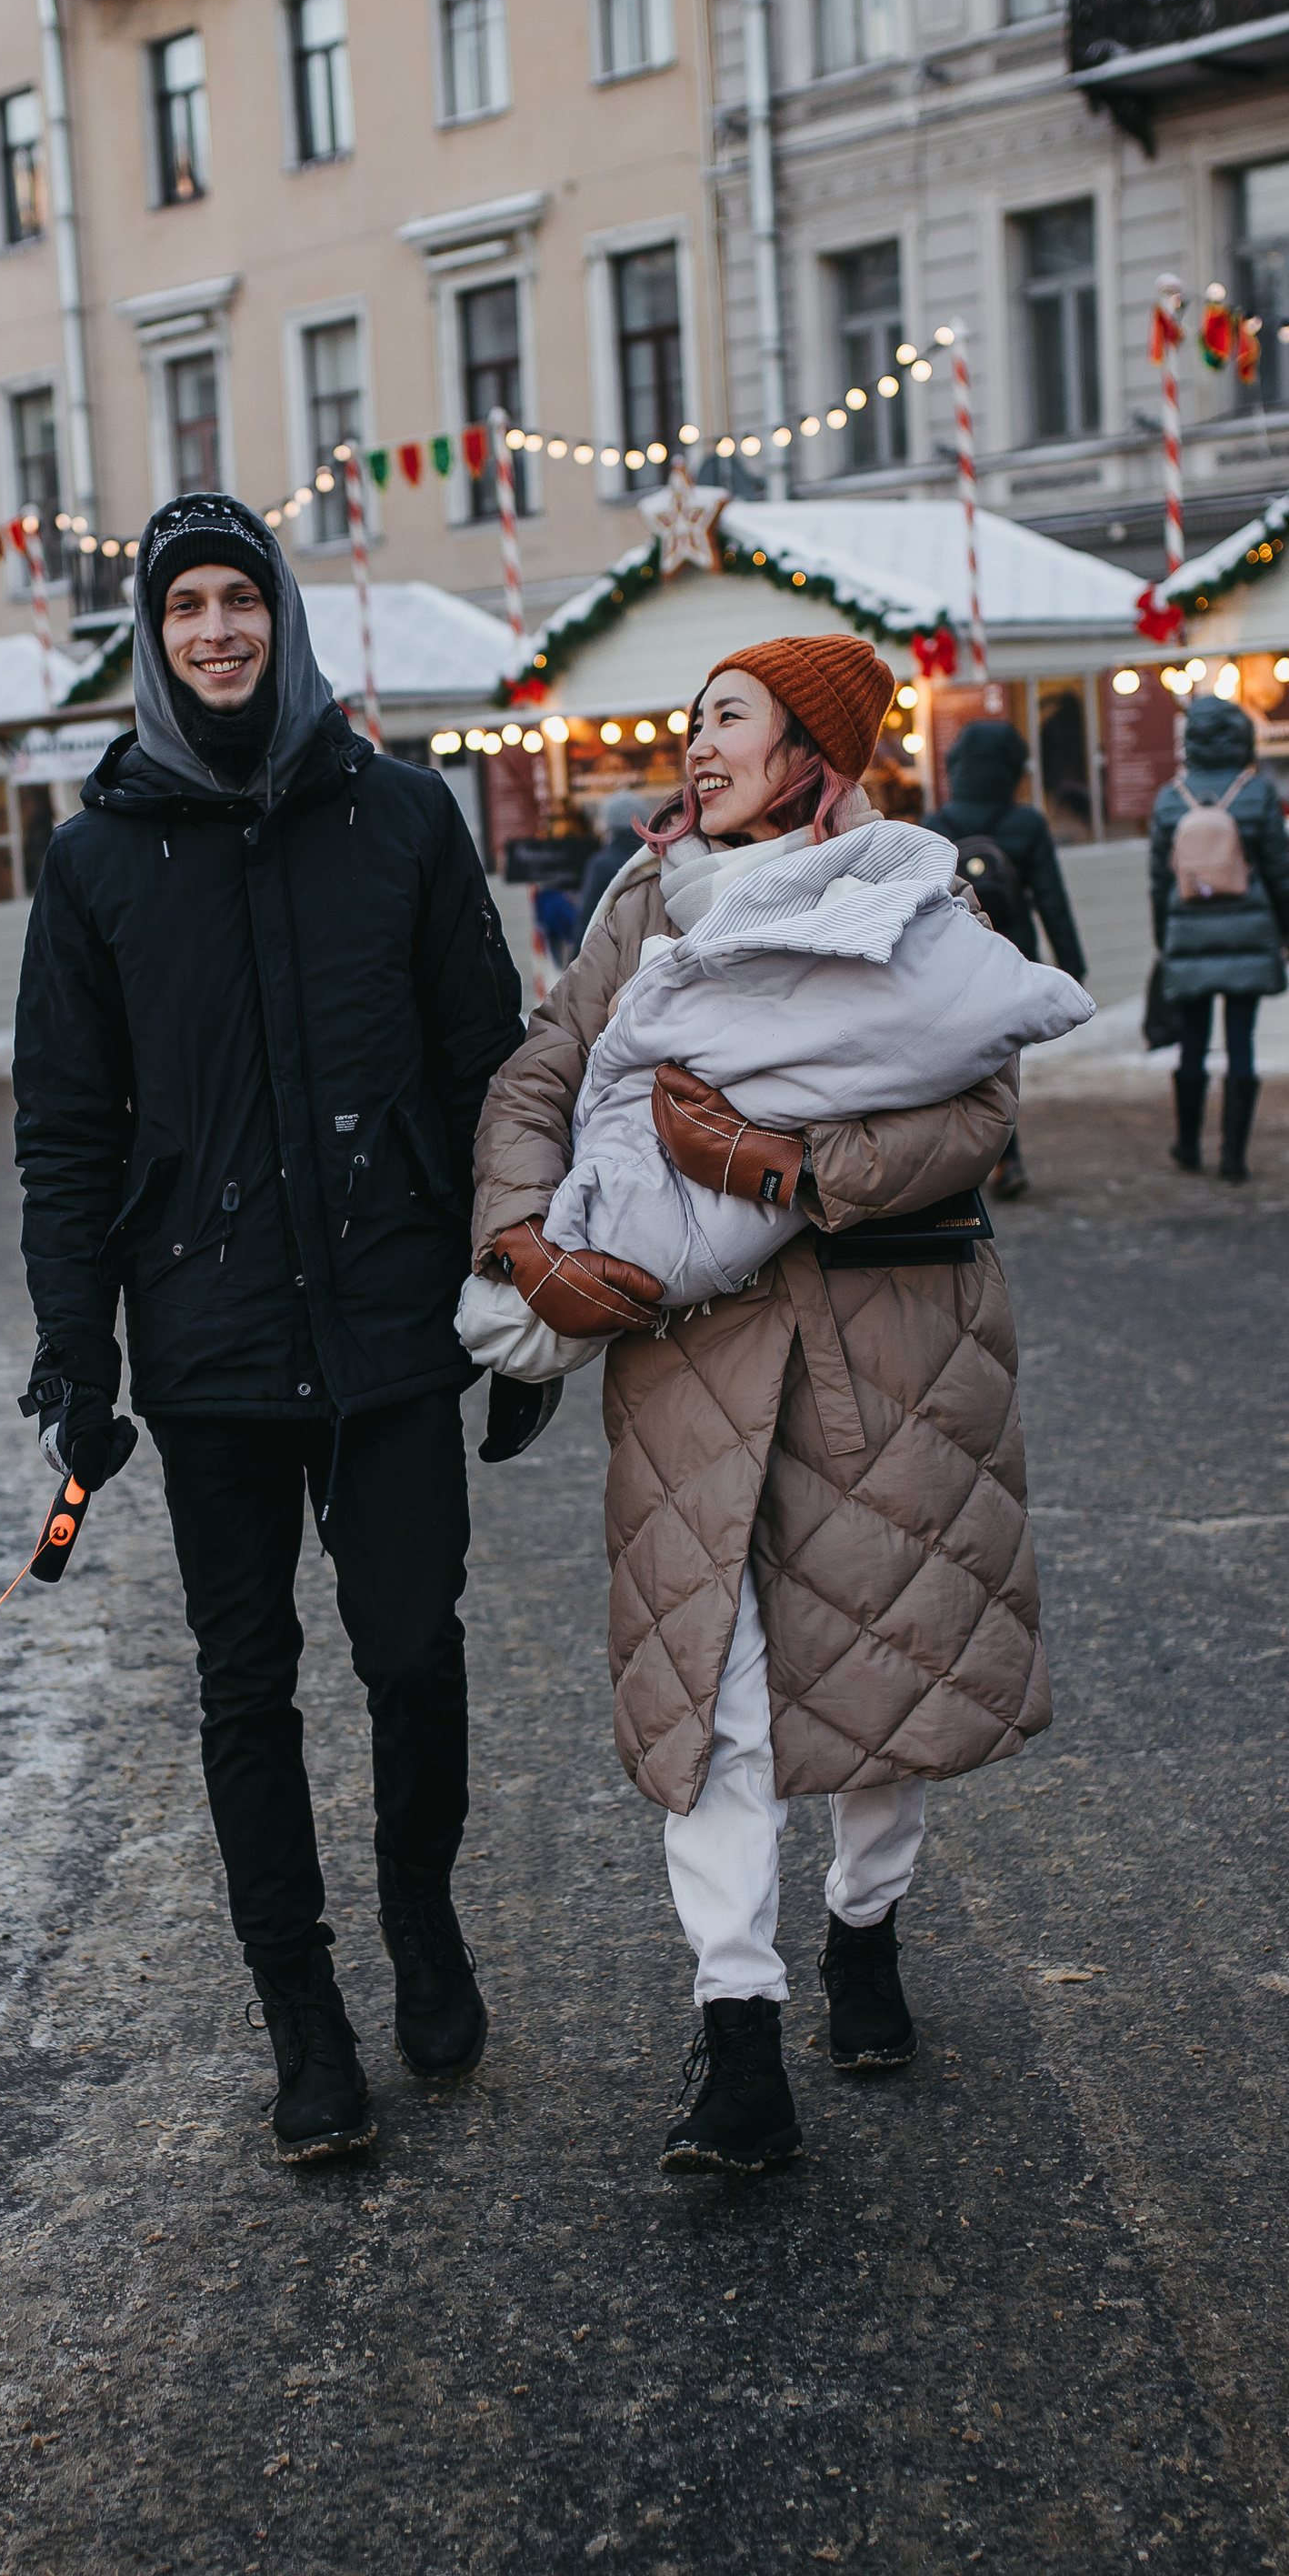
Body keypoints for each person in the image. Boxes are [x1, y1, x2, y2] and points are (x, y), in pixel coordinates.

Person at [470, 635, 1050, 2176]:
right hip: (691, 1361)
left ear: (813, 750)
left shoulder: (911, 891)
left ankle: (864, 1931)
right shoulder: (644, 903)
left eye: (725, 719)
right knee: (712, 1692)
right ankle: (739, 2038)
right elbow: (543, 1075)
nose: (695, 746)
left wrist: (789, 1174)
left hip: (890, 1345)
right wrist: (529, 1242)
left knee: (880, 1678)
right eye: (694, 719)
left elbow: (984, 1106)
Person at [13, 494, 525, 2166]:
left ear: (282, 619)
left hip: (388, 1328)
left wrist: (516, 1284)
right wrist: (77, 1353)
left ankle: (424, 1929)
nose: (218, 629)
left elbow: (491, 1068)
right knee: (248, 1691)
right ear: (153, 642)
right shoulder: (93, 862)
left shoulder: (397, 816)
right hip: (213, 1342)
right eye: (186, 609)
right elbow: (68, 1130)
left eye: (242, 599)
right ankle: (305, 2029)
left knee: (413, 1654)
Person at [924, 715, 1087, 1202]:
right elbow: (1052, 898)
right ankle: (1005, 1155)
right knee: (1004, 1058)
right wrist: (1070, 965)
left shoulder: (938, 825)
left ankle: (988, 1156)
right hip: (1011, 953)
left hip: (957, 958)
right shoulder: (1028, 823)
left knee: (973, 1060)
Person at [1149, 690, 1289, 1184]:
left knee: (1191, 1044)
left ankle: (1189, 1145)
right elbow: (1281, 872)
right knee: (1242, 1043)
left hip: (1188, 934)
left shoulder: (1171, 797)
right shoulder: (1257, 793)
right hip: (1250, 930)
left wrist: (1164, 937)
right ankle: (1233, 1156)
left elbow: (1158, 880)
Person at [574, 787, 647, 947]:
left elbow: (589, 916)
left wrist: (575, 961)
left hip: (614, 952)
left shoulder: (602, 864)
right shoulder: (656, 857)